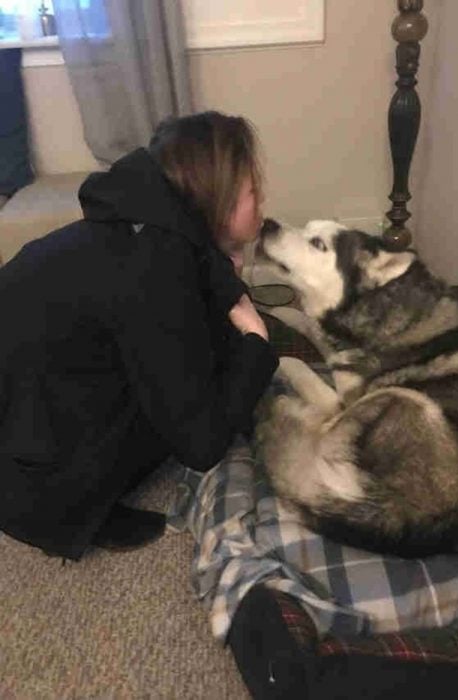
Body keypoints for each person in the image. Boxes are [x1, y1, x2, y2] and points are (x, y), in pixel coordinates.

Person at [0, 111, 278, 561]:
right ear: (219, 197)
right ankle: (71, 508)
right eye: (252, 191)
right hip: (28, 453)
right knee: (204, 390)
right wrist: (257, 340)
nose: (263, 199)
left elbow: (203, 291)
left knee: (200, 351)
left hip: (33, 384)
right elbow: (201, 443)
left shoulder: (148, 217)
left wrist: (227, 269)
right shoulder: (155, 271)